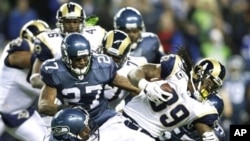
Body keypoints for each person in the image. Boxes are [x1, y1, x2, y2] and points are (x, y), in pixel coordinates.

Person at [98, 48, 226, 141]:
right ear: (199, 73)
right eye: (210, 82)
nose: (209, 89)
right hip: (120, 121)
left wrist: (209, 137)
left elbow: (205, 131)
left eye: (214, 87)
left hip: (145, 137)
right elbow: (134, 73)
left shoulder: (204, 108)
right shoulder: (176, 70)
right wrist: (145, 85)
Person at [38, 33, 141, 128]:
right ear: (66, 57)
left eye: (85, 57)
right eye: (77, 59)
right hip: (71, 120)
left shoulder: (102, 66)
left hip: (101, 116)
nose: (82, 62)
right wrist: (67, 109)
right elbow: (44, 105)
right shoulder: (55, 71)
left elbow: (134, 88)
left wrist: (147, 89)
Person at [29, 2, 106, 89]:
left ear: (82, 22)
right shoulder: (48, 40)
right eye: (67, 21)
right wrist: (61, 85)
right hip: (64, 94)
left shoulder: (97, 33)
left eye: (75, 21)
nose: (72, 25)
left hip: (96, 87)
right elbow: (35, 79)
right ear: (60, 22)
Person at [0, 19, 50, 140]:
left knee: (47, 139)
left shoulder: (48, 61)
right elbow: (18, 58)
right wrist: (52, 59)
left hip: (21, 114)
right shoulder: (19, 48)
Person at [99, 29, 147, 111]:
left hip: (112, 113)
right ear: (101, 50)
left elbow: (144, 95)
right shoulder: (90, 60)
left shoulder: (133, 68)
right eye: (107, 55)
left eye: (116, 58)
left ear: (125, 58)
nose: (109, 61)